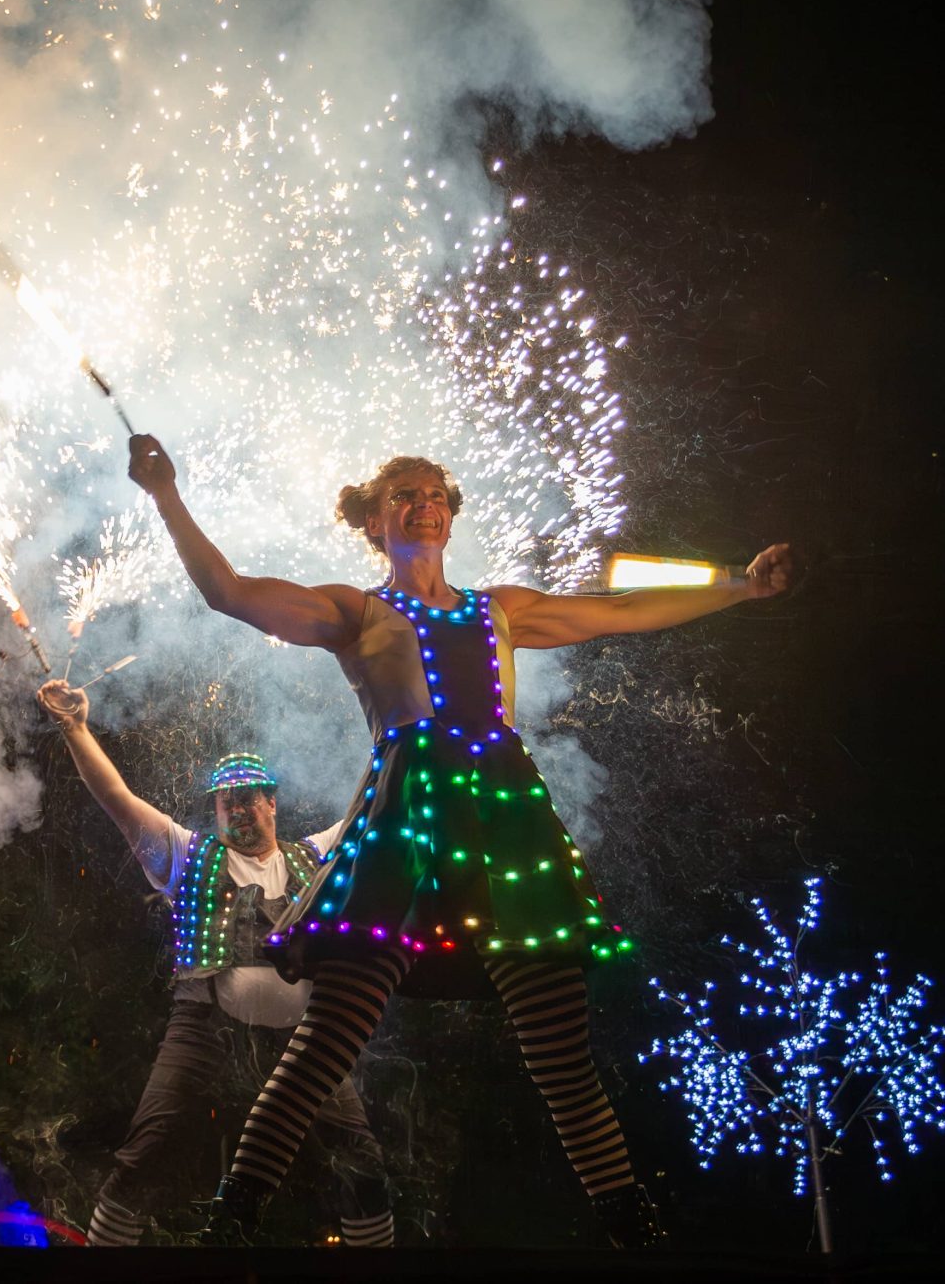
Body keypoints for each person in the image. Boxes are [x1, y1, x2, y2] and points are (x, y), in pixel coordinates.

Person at [126, 436, 794, 1246]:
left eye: (436, 490)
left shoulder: (501, 609)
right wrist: (166, 495)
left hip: (509, 829)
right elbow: (228, 591)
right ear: (376, 521)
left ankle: (632, 1229)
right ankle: (232, 1220)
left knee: (560, 1046)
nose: (425, 500)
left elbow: (618, 610)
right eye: (404, 493)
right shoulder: (359, 611)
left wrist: (739, 587)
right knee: (329, 1034)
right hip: (405, 828)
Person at [39, 675, 397, 1249]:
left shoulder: (321, 855)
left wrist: (410, 733)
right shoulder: (187, 855)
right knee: (146, 1148)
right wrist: (77, 729)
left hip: (308, 1040)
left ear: (272, 802)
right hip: (203, 1030)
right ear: (216, 809)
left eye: (249, 796)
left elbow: (379, 807)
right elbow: (118, 801)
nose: (237, 807)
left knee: (361, 1161)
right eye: (226, 801)